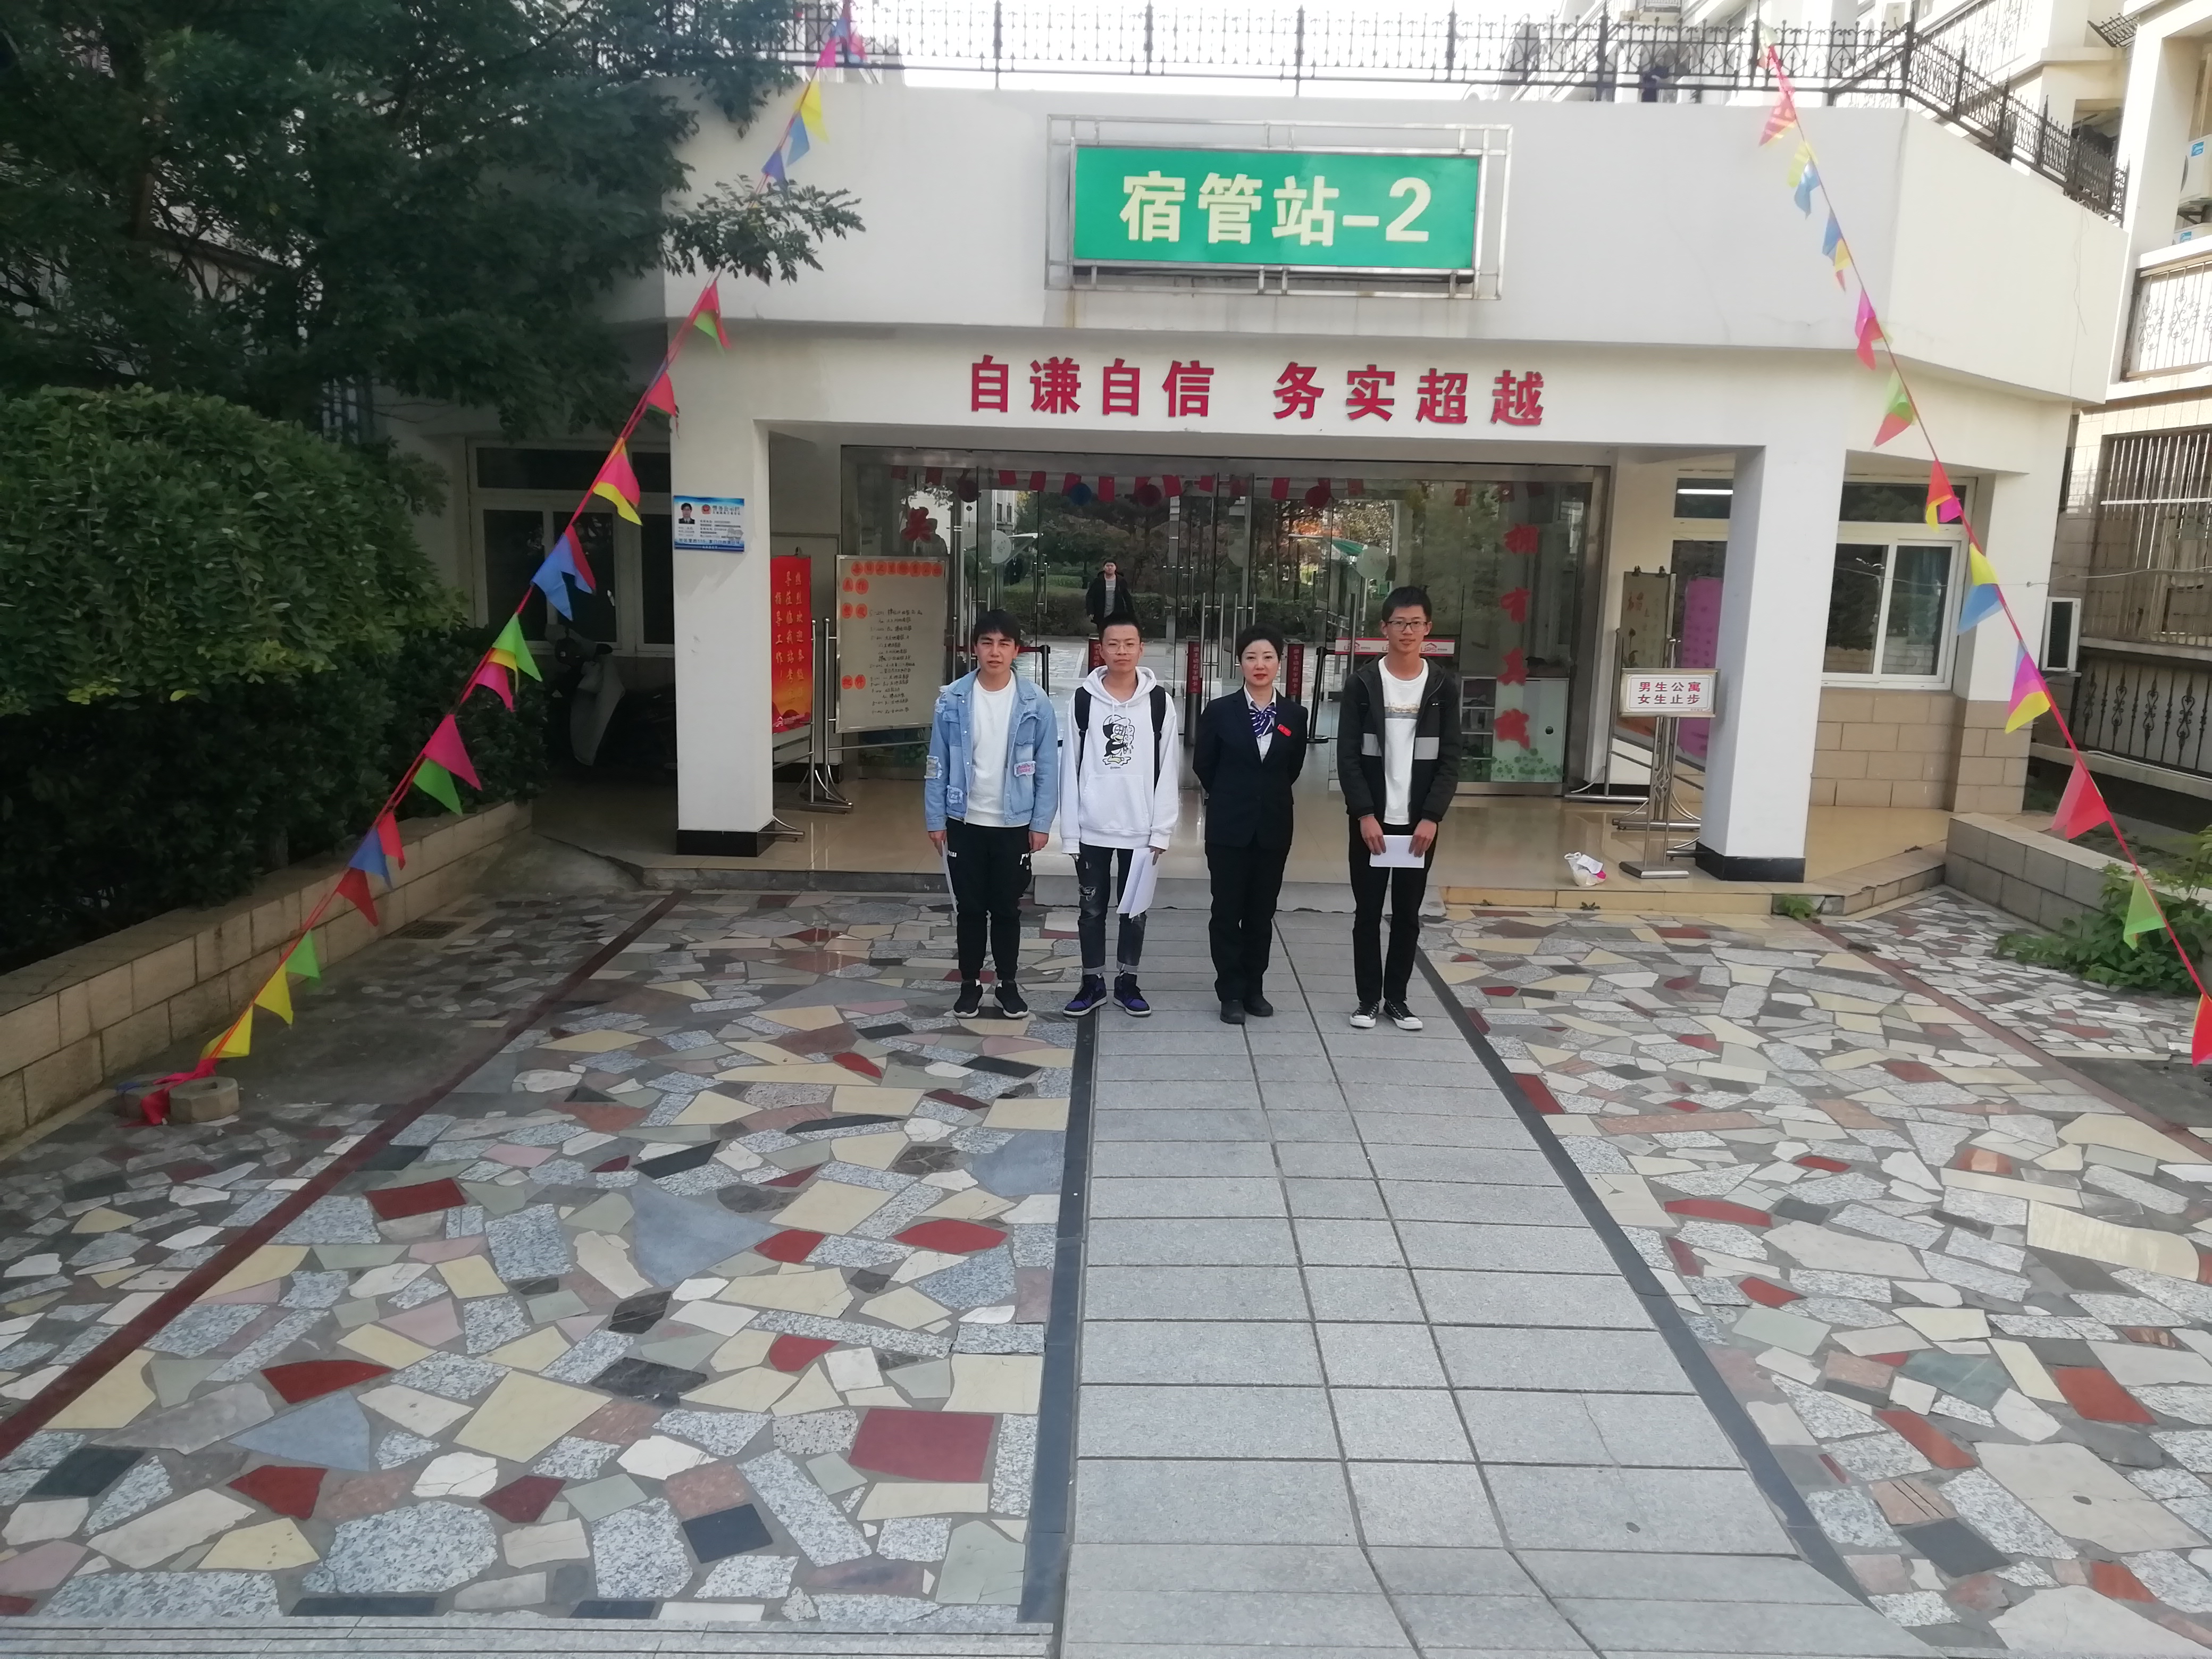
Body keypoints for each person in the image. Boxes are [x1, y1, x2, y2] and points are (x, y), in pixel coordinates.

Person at [1336, 586, 1463, 1032]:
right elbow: (1348, 756)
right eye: (1398, 623)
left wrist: (1432, 817)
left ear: (1428, 629)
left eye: (1415, 623)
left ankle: (1398, 999)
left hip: (1418, 824)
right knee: (1367, 913)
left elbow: (1451, 759)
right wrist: (1364, 813)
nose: (1407, 631)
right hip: (1371, 821)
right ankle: (1367, 1000)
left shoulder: (1443, 687)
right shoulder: (1363, 684)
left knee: (1408, 915)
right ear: (1384, 628)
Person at [924, 610, 1059, 1017]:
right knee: (969, 909)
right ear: (975, 648)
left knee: (1006, 909)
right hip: (963, 820)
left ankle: (1007, 985)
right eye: (987, 643)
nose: (995, 652)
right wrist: (935, 818)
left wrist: (1041, 823)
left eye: (1004, 644)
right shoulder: (952, 699)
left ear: (1017, 650)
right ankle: (969, 985)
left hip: (1013, 823)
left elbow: (1048, 768)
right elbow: (937, 761)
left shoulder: (1035, 702)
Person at [1059, 616, 1179, 1018]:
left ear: (1142, 648)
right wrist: (1070, 832)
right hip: (1092, 828)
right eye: (1113, 644)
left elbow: (1169, 768)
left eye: (1130, 643)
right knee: (1091, 911)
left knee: (1135, 911)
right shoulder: (1083, 700)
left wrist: (1161, 830)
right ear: (1101, 649)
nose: (1122, 651)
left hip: (1140, 830)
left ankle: (1128, 982)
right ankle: (1092, 982)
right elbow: (1070, 766)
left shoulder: (1159, 702)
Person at [1193, 624, 1309, 1025]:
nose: (1260, 665)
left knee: (1261, 913)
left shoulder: (1295, 715)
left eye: (1268, 657)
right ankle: (1230, 991)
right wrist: (1234, 795)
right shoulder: (1219, 711)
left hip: (1273, 827)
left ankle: (1254, 988)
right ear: (1240, 663)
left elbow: (1291, 769)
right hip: (1229, 827)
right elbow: (1205, 765)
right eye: (1251, 657)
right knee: (1227, 912)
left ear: (1279, 662)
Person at [1084, 560, 1137, 634]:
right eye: (1108, 566)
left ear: (1116, 568)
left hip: (1117, 613)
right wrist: (1090, 611)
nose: (1110, 568)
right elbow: (1090, 596)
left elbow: (1127, 597)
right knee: (1103, 633)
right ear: (1104, 568)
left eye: (1112, 566)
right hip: (1101, 613)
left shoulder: (1121, 581)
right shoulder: (1098, 581)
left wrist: (1131, 613)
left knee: (1115, 633)